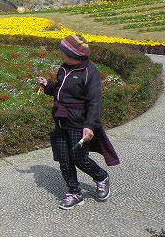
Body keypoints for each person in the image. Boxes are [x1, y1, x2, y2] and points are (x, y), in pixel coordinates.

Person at [36, 34, 120, 210]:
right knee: (64, 159)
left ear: (73, 55)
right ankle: (74, 192)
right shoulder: (64, 68)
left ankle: (101, 177)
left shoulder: (89, 72)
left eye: (63, 51)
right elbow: (60, 90)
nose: (60, 53)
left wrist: (90, 126)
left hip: (78, 123)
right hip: (60, 120)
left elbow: (95, 102)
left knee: (80, 159)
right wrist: (48, 85)